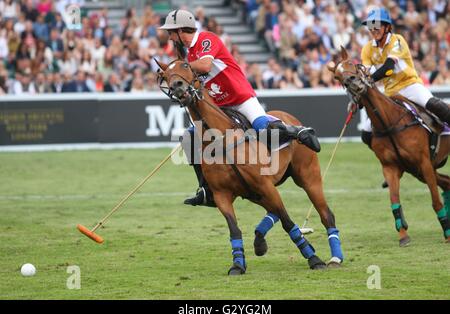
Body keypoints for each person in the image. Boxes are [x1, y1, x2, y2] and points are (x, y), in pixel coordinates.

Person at [159, 9, 321, 207]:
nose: (169, 36)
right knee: (190, 137)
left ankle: (297, 131)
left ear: (180, 30)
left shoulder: (206, 39)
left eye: (171, 31)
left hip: (240, 97)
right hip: (219, 105)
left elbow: (206, 66)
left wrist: (178, 69)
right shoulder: (189, 53)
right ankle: (205, 189)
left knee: (263, 127)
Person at [357, 7, 450, 149]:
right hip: (389, 93)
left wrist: (367, 81)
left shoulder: (397, 41)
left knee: (434, 105)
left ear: (387, 27)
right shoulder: (367, 49)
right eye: (370, 26)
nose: (373, 29)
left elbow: (388, 69)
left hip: (410, 85)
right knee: (366, 134)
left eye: (376, 25)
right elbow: (366, 74)